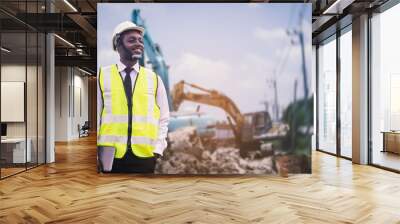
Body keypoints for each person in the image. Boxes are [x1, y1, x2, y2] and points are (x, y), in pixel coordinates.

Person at [97, 21, 169, 173]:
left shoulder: (155, 79)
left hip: (145, 156)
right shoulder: (102, 76)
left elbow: (163, 118)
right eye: (131, 40)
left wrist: (158, 149)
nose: (138, 44)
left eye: (140, 40)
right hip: (110, 156)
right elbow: (97, 116)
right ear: (118, 44)